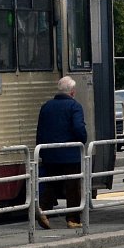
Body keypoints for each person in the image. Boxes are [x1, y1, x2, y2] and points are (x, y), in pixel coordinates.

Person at [35, 75, 87, 229]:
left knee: (51, 184)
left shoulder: (46, 106)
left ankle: (43, 211)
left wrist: (42, 151)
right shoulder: (74, 106)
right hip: (70, 155)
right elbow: (78, 128)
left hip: (49, 153)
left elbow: (40, 130)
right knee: (72, 187)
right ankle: (73, 219)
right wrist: (82, 139)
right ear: (72, 92)